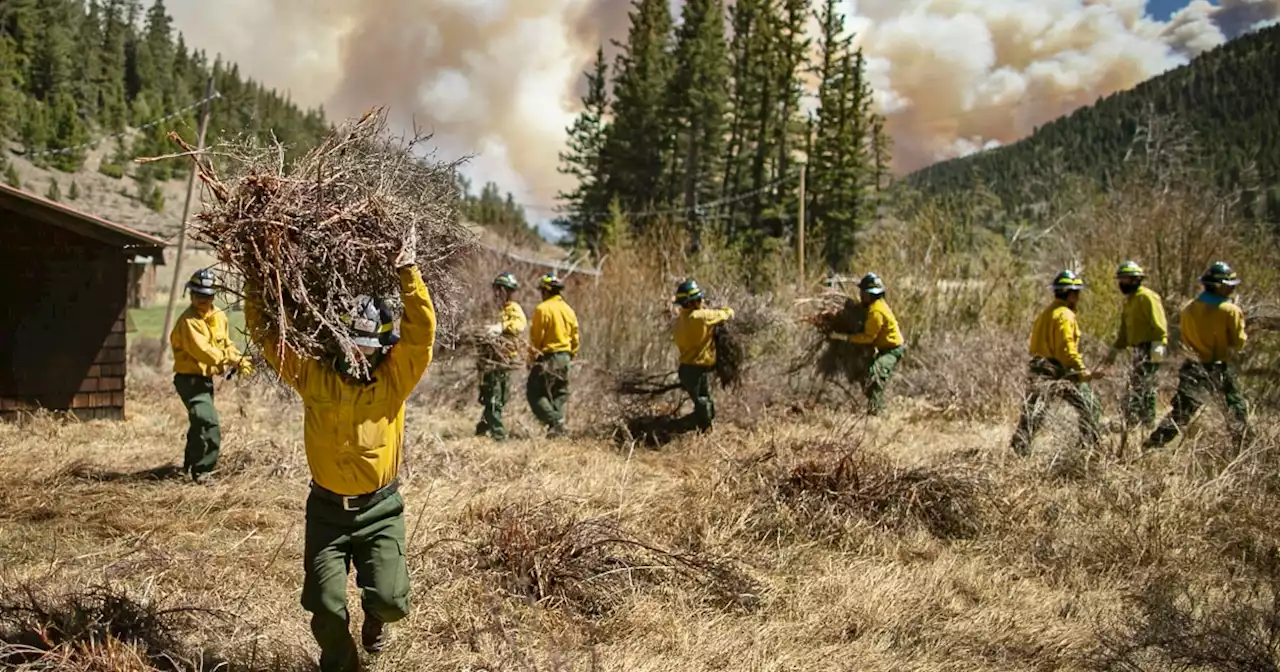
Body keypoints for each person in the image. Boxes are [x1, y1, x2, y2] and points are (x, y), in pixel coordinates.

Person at [245, 230, 434, 672]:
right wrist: (258, 279)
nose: (361, 358)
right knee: (326, 607)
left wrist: (409, 272)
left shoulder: (394, 381)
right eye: (354, 347)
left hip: (380, 510)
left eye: (371, 350)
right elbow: (269, 337)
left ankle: (375, 617)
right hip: (326, 511)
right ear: (339, 343)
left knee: (391, 602)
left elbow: (421, 336)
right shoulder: (314, 378)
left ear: (384, 350)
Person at [1144, 261, 1250, 451]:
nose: (1232, 289)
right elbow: (1238, 342)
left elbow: (1185, 337)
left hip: (1192, 366)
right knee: (1237, 410)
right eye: (1230, 286)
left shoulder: (1188, 308)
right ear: (1221, 286)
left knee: (1181, 414)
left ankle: (1151, 445)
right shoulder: (1231, 311)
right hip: (1219, 368)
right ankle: (1244, 450)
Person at [169, 268, 252, 485]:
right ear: (191, 295)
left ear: (213, 296)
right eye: (197, 295)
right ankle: (204, 471)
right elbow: (203, 352)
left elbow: (225, 343)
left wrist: (239, 357)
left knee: (199, 424)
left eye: (206, 295)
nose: (201, 300)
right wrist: (229, 359)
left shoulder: (219, 316)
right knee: (210, 422)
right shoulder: (189, 322)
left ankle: (190, 467)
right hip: (189, 380)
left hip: (204, 381)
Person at [1010, 270, 1106, 456]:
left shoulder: (1047, 313)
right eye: (1077, 292)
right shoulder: (1065, 315)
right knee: (1089, 405)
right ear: (1070, 293)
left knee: (1033, 412)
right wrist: (1081, 369)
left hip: (1039, 367)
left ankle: (1020, 447)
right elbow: (1067, 348)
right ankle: (1090, 449)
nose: (1078, 297)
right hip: (1057, 368)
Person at [1102, 261, 1168, 429]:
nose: (1121, 283)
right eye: (1120, 279)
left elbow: (1160, 327)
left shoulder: (1147, 297)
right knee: (1136, 384)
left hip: (1152, 346)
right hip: (1138, 349)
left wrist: (1157, 354)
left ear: (1134, 280)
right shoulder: (1129, 302)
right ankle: (1132, 422)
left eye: (1124, 279)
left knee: (1146, 384)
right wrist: (1112, 354)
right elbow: (1123, 334)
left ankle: (1147, 423)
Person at [828, 273, 905, 415]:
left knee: (875, 374)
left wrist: (845, 337)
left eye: (864, 293)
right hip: (883, 348)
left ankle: (877, 412)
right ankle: (875, 407)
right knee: (865, 375)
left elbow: (868, 338)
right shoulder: (874, 306)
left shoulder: (876, 311)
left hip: (892, 349)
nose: (861, 295)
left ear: (872, 294)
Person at [671, 279, 734, 432]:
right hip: (695, 371)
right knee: (705, 410)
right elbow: (727, 314)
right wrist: (727, 310)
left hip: (688, 370)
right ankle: (675, 428)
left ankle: (702, 433)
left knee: (706, 407)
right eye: (698, 299)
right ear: (691, 302)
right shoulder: (701, 317)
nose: (701, 302)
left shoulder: (680, 321)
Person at [476, 272, 527, 441]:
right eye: (498, 289)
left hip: (506, 358)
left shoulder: (514, 309)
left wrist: (502, 326)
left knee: (501, 397)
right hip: (490, 359)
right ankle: (498, 434)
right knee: (493, 397)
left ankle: (482, 428)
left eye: (506, 290)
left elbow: (519, 325)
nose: (501, 293)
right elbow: (478, 329)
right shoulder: (489, 309)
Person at [527, 273, 579, 437]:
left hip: (548, 357)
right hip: (565, 356)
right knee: (559, 392)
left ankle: (557, 423)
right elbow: (575, 337)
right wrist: (571, 355)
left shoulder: (543, 309)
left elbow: (536, 338)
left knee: (535, 393)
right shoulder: (569, 310)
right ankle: (555, 432)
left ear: (546, 291)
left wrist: (531, 358)